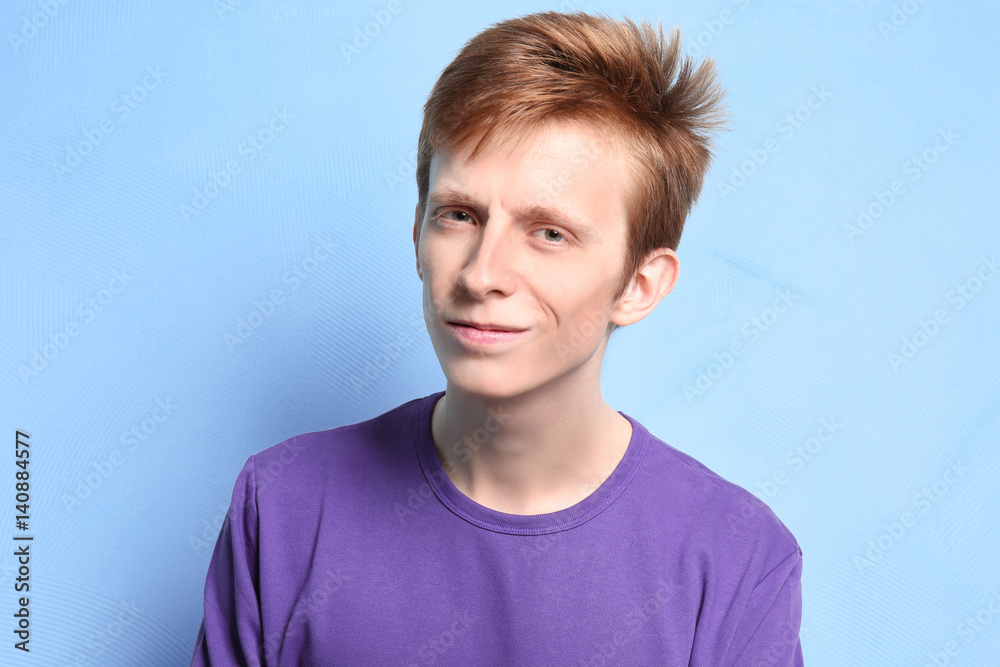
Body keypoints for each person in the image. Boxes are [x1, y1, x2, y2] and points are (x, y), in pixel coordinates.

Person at [191, 11, 804, 666]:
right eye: (459, 215)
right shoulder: (282, 503)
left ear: (639, 284)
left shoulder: (737, 561)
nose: (481, 275)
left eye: (549, 233)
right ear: (418, 236)